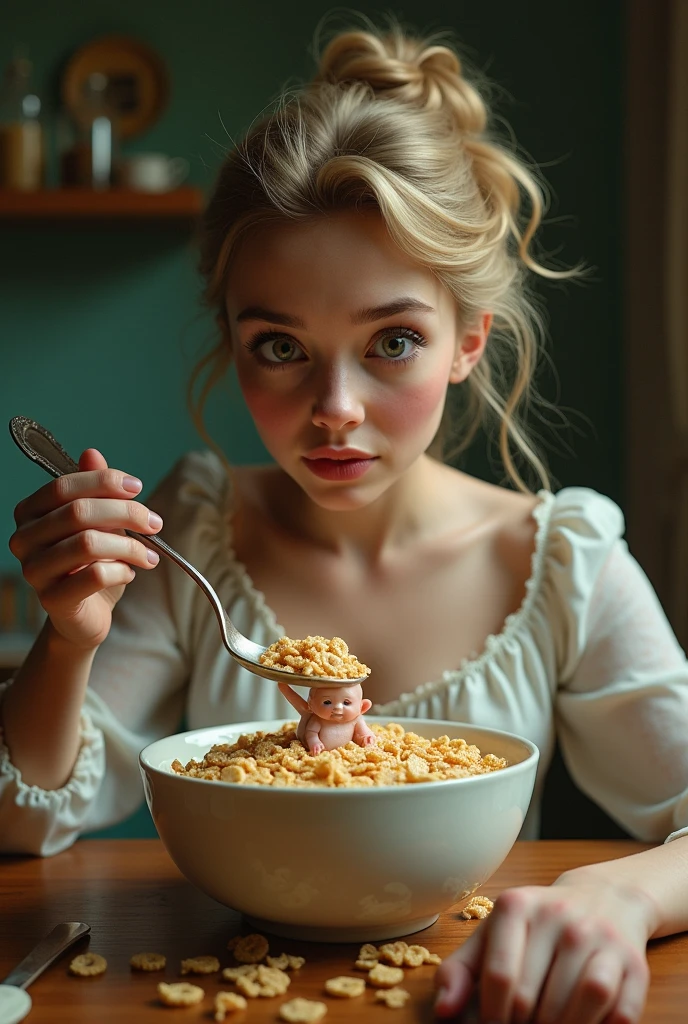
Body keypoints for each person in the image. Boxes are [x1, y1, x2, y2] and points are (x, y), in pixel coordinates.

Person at [2, 17, 688, 1024]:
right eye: (279, 345)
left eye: (393, 340)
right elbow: (25, 826)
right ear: (231, 341)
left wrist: (619, 891)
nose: (335, 407)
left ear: (467, 340)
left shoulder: (557, 559)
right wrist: (65, 641)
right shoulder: (195, 536)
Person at [278, 679, 376, 753]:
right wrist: (314, 742)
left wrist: (367, 738)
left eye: (346, 703)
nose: (338, 707)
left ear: (362, 707)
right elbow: (311, 733)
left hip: (345, 756)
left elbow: (363, 732)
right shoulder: (317, 719)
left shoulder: (356, 719)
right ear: (311, 704)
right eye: (327, 702)